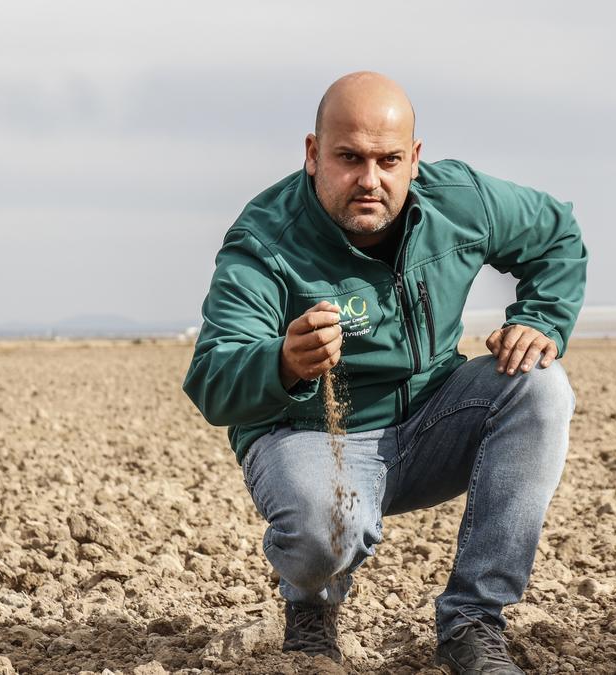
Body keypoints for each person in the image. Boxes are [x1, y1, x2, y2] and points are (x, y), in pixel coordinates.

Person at [182, 71, 587, 674]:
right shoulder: (265, 240)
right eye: (349, 158)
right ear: (314, 154)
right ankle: (312, 605)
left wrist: (542, 320)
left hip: (434, 419)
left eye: (388, 159)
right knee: (327, 531)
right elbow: (213, 377)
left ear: (415, 159)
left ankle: (473, 622)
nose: (370, 179)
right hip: (314, 434)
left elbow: (556, 234)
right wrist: (284, 362)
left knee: (540, 385)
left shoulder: (460, 201)